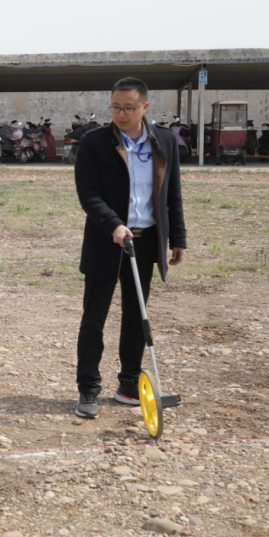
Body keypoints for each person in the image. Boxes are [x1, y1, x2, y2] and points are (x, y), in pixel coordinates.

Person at [73, 77, 187, 419]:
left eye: (129, 108)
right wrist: (113, 224)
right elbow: (88, 194)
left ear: (145, 107)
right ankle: (88, 388)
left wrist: (177, 237)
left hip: (146, 240)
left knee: (137, 316)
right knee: (94, 318)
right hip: (105, 240)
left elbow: (173, 194)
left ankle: (128, 384)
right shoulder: (94, 142)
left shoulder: (164, 141)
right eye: (116, 108)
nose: (121, 114)